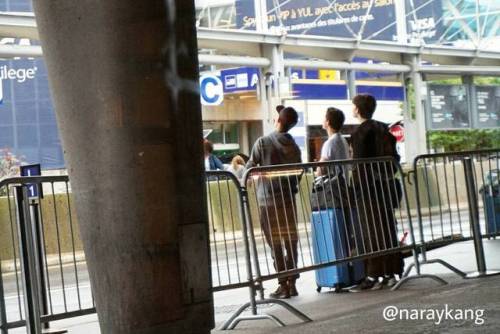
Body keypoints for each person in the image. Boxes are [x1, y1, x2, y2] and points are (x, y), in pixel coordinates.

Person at [348, 94, 404, 292]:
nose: (352, 108)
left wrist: (353, 188)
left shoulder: (360, 133)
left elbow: (359, 166)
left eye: (353, 106)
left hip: (367, 190)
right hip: (386, 187)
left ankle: (373, 274)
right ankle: (391, 271)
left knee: (371, 233)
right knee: (387, 229)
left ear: (357, 109)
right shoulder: (383, 128)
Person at [246, 106, 302, 299]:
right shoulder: (294, 147)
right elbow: (299, 173)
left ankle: (282, 284)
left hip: (267, 201)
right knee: (291, 241)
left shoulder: (263, 143)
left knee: (275, 243)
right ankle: (293, 283)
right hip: (288, 200)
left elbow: (249, 169)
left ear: (278, 119)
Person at [316, 107, 350, 176]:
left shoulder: (330, 143)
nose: (322, 120)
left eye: (324, 118)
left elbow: (321, 170)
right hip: (343, 184)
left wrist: (316, 173)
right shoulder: (342, 140)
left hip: (333, 185)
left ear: (328, 122)